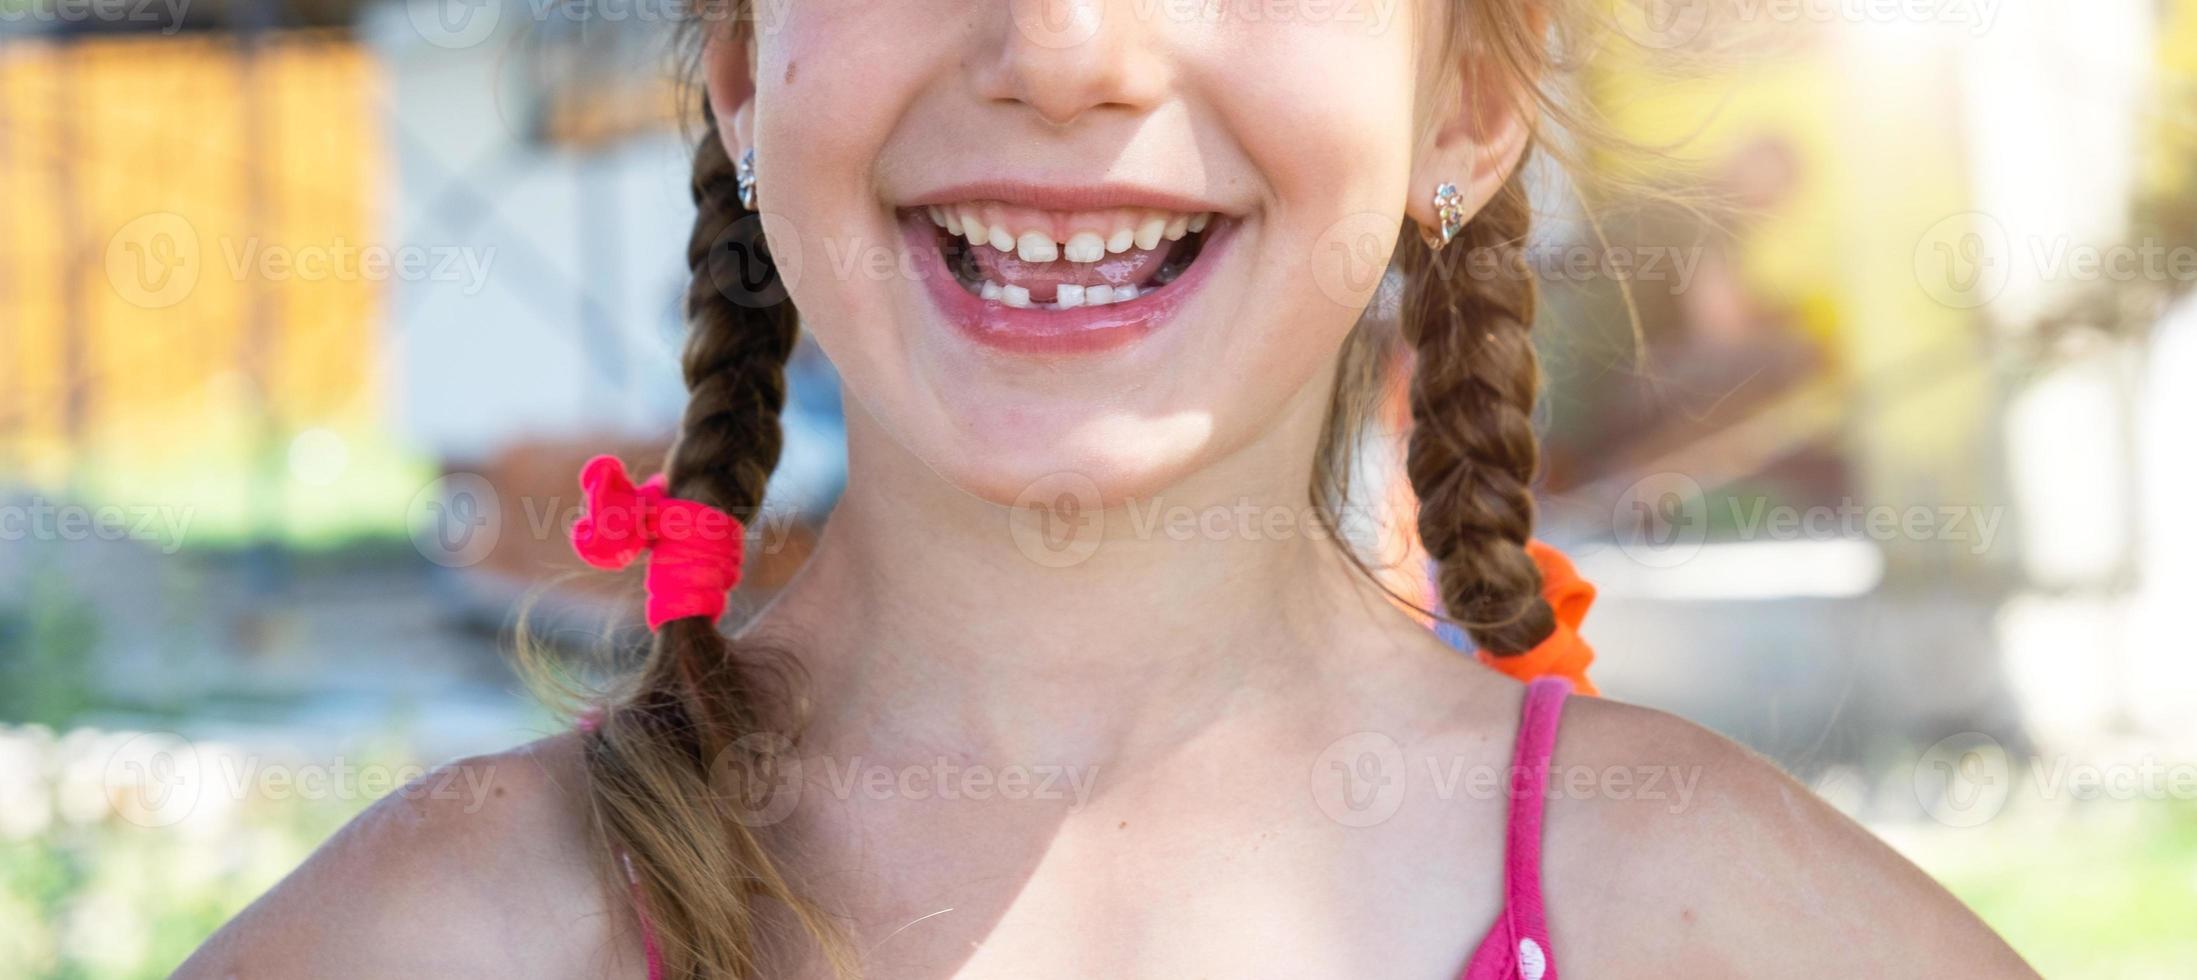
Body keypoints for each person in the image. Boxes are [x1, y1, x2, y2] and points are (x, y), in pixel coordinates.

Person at [181, 1, 2036, 976]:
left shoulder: (1718, 921)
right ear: (746, 63)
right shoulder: (444, 934)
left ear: (1466, 104)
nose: (1063, 47)